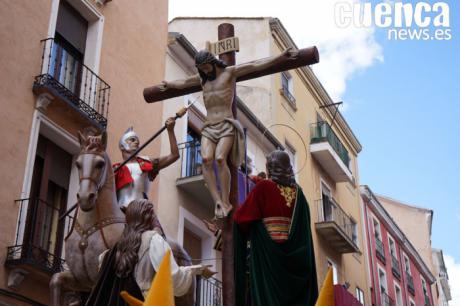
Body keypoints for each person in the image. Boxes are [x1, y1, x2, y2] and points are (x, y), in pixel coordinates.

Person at [160, 49, 298, 218]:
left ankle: (225, 201)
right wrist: (170, 84)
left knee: (219, 158)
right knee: (205, 159)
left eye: (206, 67)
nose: (204, 71)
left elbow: (254, 65)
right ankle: (217, 200)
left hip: (226, 124)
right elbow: (184, 82)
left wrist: (280, 58)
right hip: (209, 126)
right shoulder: (202, 80)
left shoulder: (229, 73)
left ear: (212, 62)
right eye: (201, 68)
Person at [86, 199, 213, 305]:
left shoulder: (108, 254)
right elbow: (173, 278)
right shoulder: (153, 240)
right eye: (154, 215)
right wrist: (198, 269)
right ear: (150, 216)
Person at [233, 150, 318, 306]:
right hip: (295, 271)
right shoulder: (300, 195)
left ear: (270, 168)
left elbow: (240, 219)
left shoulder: (264, 187)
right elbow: (304, 234)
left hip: (269, 264)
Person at [113, 118, 179, 209]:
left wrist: (170, 131)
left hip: (142, 212)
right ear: (122, 146)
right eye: (132, 140)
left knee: (156, 224)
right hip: (120, 211)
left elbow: (174, 155)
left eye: (137, 141)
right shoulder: (115, 169)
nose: (136, 142)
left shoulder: (147, 163)